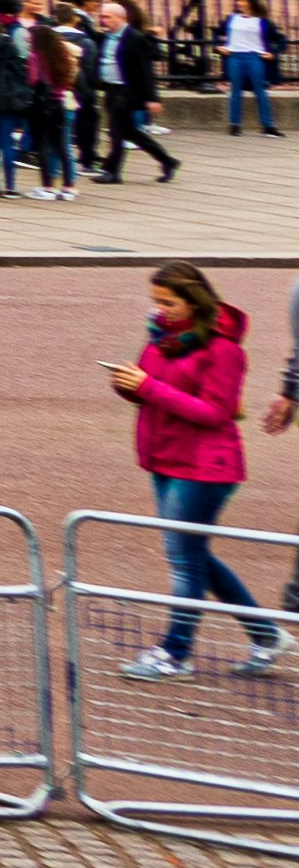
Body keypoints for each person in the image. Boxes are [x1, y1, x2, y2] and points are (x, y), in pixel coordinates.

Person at [118, 262, 285, 682]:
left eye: (169, 302)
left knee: (183, 561)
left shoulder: (223, 348)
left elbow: (215, 412)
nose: (160, 310)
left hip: (205, 466)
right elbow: (155, 391)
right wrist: (130, 388)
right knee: (194, 556)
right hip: (167, 457)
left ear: (195, 301)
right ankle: (266, 636)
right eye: (156, 301)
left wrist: (148, 388)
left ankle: (175, 653)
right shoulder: (161, 337)